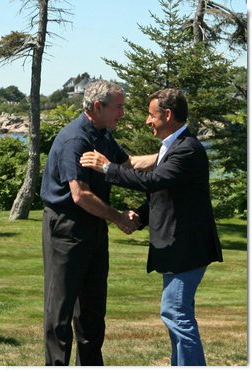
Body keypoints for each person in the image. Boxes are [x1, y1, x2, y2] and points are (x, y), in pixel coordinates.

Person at [80, 87, 223, 366]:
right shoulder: (173, 147)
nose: (147, 121)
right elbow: (163, 195)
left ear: (167, 115)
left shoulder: (187, 149)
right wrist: (137, 217)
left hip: (187, 250)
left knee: (175, 314)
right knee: (177, 314)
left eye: (150, 114)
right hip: (178, 249)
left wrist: (108, 168)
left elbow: (152, 182)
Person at [40, 79, 157, 366]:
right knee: (61, 311)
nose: (122, 113)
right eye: (118, 107)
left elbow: (127, 165)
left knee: (92, 312)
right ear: (97, 106)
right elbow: (79, 196)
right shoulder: (76, 139)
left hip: (93, 227)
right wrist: (118, 217)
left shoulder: (102, 135)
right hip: (66, 227)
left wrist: (169, 154)